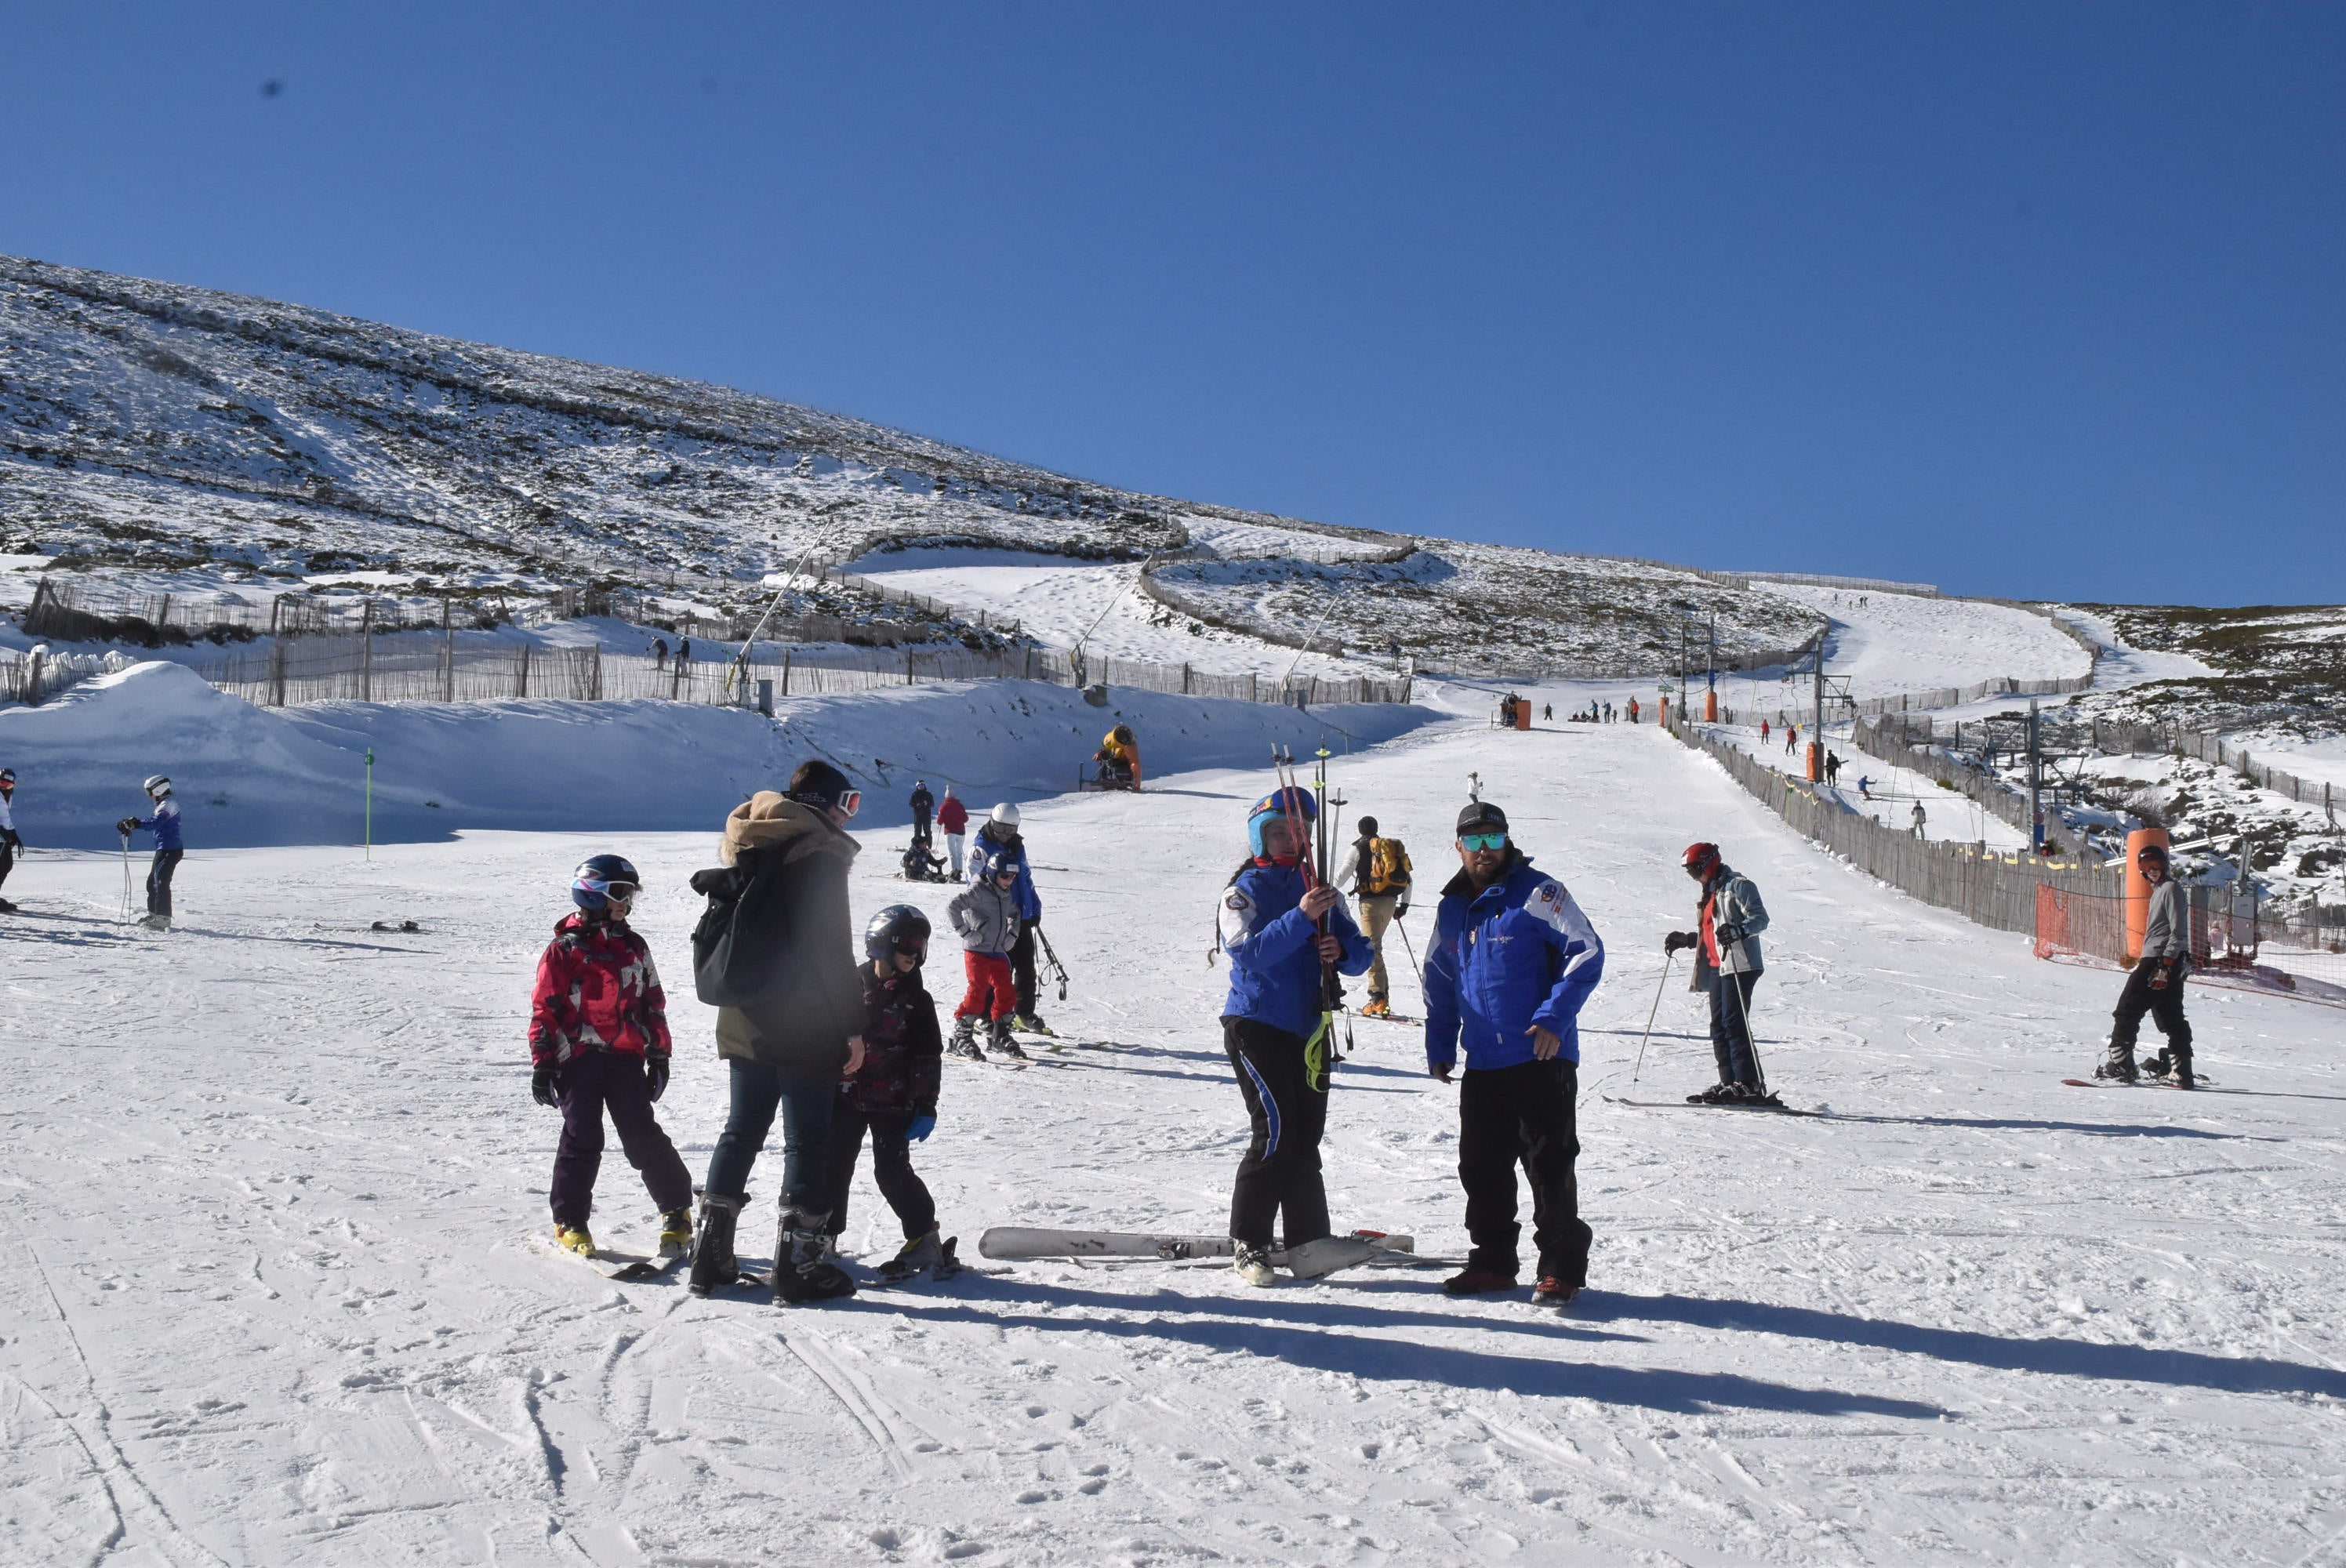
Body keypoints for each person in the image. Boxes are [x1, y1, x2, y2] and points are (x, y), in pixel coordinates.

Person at [687, 761, 868, 1305]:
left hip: (744, 1015)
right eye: (848, 803)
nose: (849, 816)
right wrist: (853, 1028)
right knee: (808, 1139)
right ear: (825, 803)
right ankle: (797, 1267)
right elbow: (831, 950)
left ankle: (708, 1259)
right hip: (803, 1020)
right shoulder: (818, 855)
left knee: (741, 1129)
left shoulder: (751, 843)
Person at [1423, 801, 1605, 1307]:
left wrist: (1554, 1017)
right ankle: (1493, 1263)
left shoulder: (1540, 893)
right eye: (1474, 842)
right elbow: (1440, 978)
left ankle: (1560, 1269)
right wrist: (1440, 1041)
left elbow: (1586, 950)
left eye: (1493, 840)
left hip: (1540, 1057)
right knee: (1481, 1168)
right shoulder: (1452, 907)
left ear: (1507, 841)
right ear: (1458, 847)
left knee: (1549, 1165)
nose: (1485, 851)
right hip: (1482, 1060)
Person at [1217, 787, 1373, 1285]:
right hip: (1257, 1025)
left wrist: (1340, 951)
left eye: (1297, 832)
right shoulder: (1243, 890)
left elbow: (1361, 954)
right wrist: (1301, 917)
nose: (1288, 839)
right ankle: (1250, 1240)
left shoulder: (1321, 887)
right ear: (1259, 836)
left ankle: (1309, 1239)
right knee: (1276, 1132)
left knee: (1305, 1139)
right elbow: (1247, 953)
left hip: (1310, 1029)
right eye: (1278, 832)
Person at [529, 855, 693, 1261]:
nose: (626, 902)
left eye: (630, 894)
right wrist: (543, 1062)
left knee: (641, 1134)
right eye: (619, 893)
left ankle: (677, 1211)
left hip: (624, 1056)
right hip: (578, 1057)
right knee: (582, 1136)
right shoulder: (564, 950)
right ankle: (570, 1220)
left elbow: (652, 1003)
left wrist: (659, 1054)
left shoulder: (634, 947)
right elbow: (545, 1009)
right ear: (593, 894)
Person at [823, 906, 949, 1271]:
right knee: (834, 1166)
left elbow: (928, 1055)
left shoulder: (917, 1001)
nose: (915, 955)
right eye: (908, 945)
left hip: (894, 1102)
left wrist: (925, 1103)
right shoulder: (850, 987)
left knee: (891, 1171)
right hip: (845, 1097)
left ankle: (924, 1237)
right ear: (880, 944)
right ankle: (822, 1237)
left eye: (920, 947)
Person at [1663, 843, 1774, 1105]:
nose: (1694, 876)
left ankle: (1749, 1084)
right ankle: (1729, 1082)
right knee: (1719, 1026)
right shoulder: (1711, 891)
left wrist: (1739, 931)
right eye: (1690, 872)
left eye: (1695, 870)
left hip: (1740, 964)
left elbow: (1760, 919)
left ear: (1709, 863)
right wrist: (1689, 940)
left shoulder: (1739, 886)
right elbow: (1713, 931)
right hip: (1717, 966)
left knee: (1735, 1024)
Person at [2104, 843, 2195, 1087]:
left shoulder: (2170, 889)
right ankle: (2180, 1071)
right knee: (2170, 1015)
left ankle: (2121, 1065)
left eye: (2157, 865)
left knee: (2127, 1009)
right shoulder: (2162, 890)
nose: (2153, 870)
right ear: (2141, 870)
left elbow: (2178, 930)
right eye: (2147, 866)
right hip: (2167, 959)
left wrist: (2165, 964)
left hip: (2159, 959)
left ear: (2165, 865)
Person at [968, 803, 1050, 1035]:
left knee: (1026, 967)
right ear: (992, 823)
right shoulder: (981, 847)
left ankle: (1023, 1014)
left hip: (1018, 916)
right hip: (995, 918)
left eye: (1010, 830)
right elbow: (973, 880)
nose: (1005, 835)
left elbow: (1025, 877)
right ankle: (983, 1015)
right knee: (996, 970)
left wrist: (1033, 907)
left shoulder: (1017, 846)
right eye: (1001, 829)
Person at [947, 858, 1027, 1062]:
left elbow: (1015, 913)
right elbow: (953, 907)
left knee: (1007, 991)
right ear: (993, 873)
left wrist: (1012, 935)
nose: (1008, 881)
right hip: (976, 951)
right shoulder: (978, 892)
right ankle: (961, 1037)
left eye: (1012, 877)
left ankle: (999, 1035)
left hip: (997, 951)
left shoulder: (1005, 894)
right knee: (978, 990)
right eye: (1004, 876)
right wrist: (965, 932)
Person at [1336, 815, 1411, 1018]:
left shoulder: (1358, 848)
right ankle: (1382, 996)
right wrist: (1403, 905)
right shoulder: (1389, 849)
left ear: (1360, 829)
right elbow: (1407, 879)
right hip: (1390, 903)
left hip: (1370, 902)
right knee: (1376, 947)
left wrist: (1325, 890)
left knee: (1372, 948)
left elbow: (1342, 877)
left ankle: (1378, 997)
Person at [115, 775, 182, 931]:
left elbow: (156, 822)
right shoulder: (165, 804)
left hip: (169, 850)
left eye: (149, 791)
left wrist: (136, 824)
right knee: (152, 883)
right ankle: (154, 915)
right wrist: (135, 823)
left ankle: (163, 920)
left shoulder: (168, 805)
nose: (149, 795)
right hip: (165, 848)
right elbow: (154, 821)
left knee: (160, 883)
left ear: (157, 790)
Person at [1095, 724, 1141, 789]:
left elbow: (1135, 764)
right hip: (1116, 760)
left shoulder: (1129, 744)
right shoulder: (1126, 742)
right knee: (1105, 760)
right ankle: (1104, 778)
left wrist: (1137, 785)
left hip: (1120, 761)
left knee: (1106, 761)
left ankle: (1106, 779)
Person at [937, 786, 969, 879]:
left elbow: (940, 821)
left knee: (952, 852)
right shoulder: (960, 806)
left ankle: (954, 872)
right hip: (961, 832)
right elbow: (966, 819)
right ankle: (959, 870)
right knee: (959, 852)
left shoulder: (943, 807)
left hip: (950, 832)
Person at [0, 767, 20, 913]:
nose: (5, 787)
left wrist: (13, 832)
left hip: (3, 837)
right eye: (1, 783)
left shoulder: (6, 797)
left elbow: (5, 817)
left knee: (6, 865)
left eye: (8, 785)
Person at [908, 780, 935, 850]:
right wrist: (917, 805)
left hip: (926, 816)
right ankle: (916, 847)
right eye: (920, 786)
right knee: (917, 831)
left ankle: (929, 847)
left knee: (928, 831)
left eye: (923, 786)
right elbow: (911, 803)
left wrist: (927, 803)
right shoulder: (915, 794)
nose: (921, 787)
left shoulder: (928, 794)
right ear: (917, 786)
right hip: (918, 816)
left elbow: (932, 804)